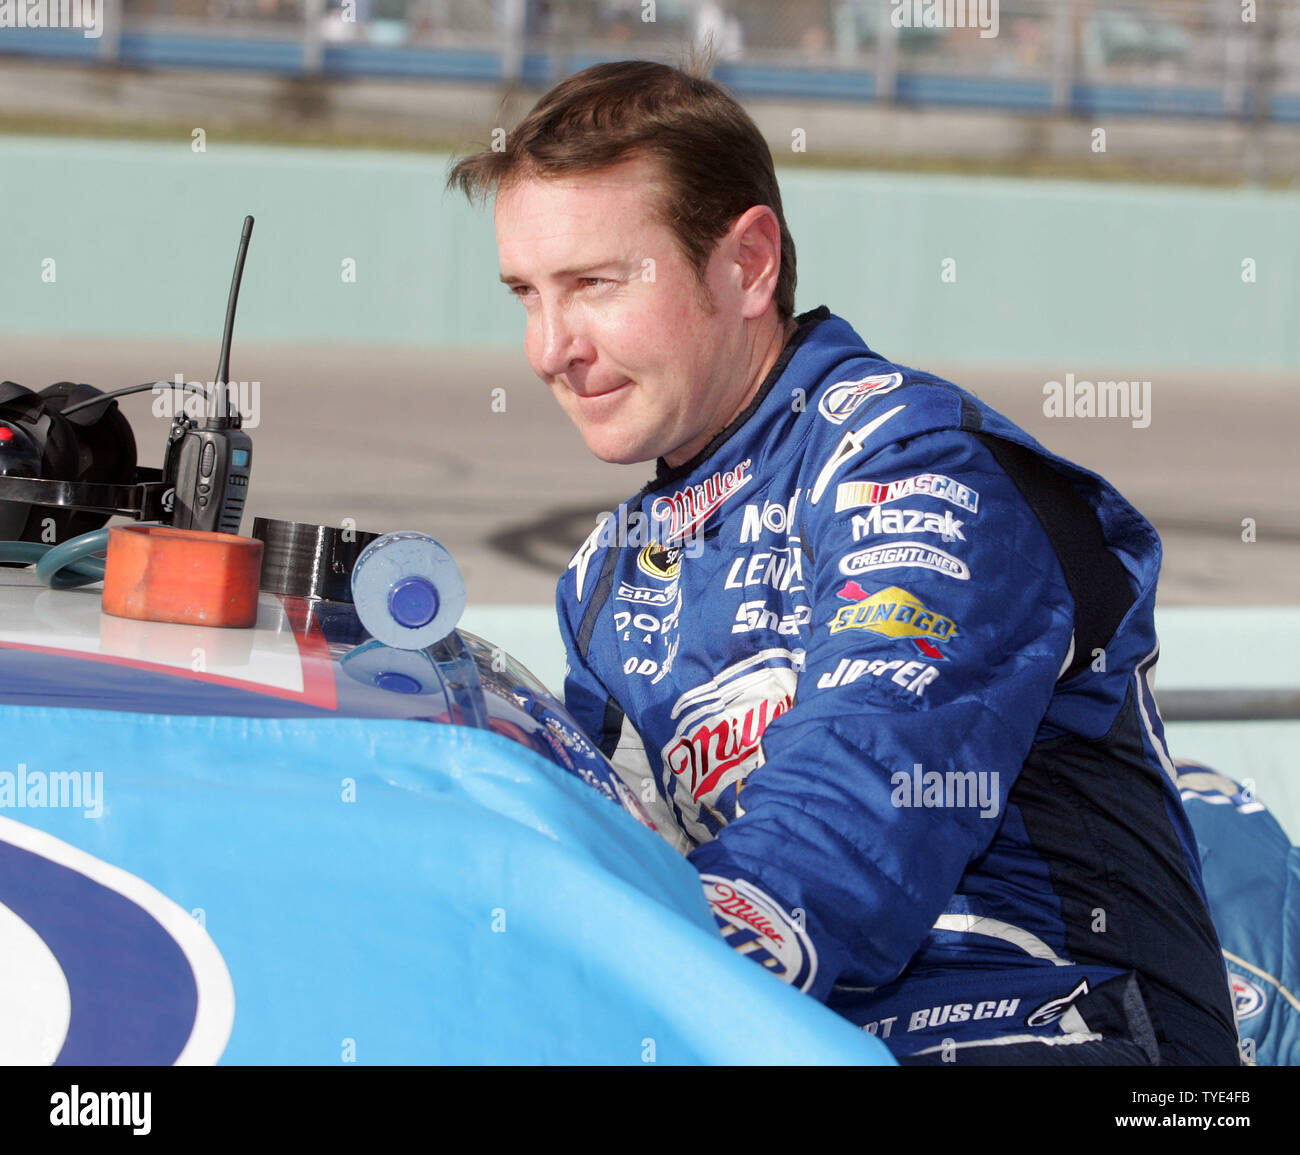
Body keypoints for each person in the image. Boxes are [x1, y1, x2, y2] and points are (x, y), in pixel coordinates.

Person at [446, 58, 1239, 1064]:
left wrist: (633, 964)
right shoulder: (608, 574)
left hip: (1062, 1024)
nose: (550, 347)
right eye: (526, 295)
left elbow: (862, 801)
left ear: (746, 265)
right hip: (805, 1034)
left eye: (595, 285)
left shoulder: (911, 464)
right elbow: (607, 851)